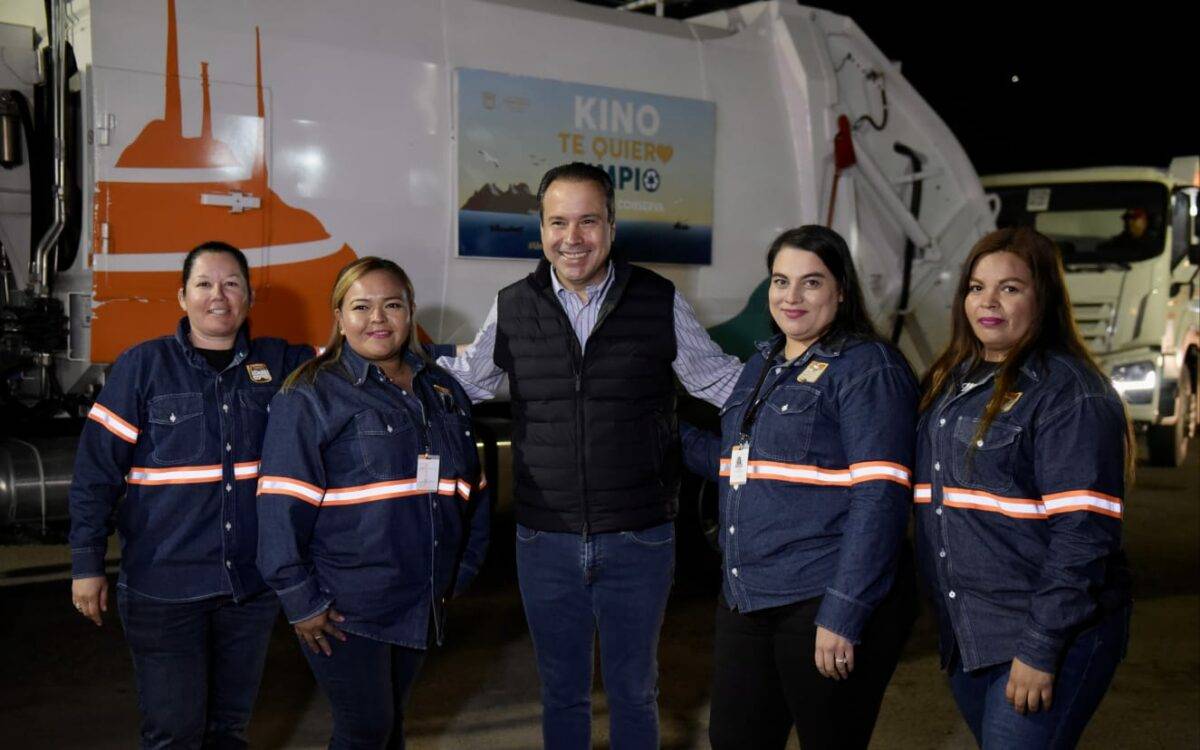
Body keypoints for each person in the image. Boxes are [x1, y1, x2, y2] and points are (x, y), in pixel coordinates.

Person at [436, 162, 741, 748]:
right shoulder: (514, 305)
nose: (572, 238)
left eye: (587, 221)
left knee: (634, 691)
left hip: (640, 536)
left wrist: (807, 382)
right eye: (558, 222)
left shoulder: (658, 300)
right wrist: (386, 372)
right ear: (541, 229)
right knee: (563, 694)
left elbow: (719, 383)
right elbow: (466, 383)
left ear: (612, 226)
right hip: (543, 539)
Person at [68, 240, 315, 748]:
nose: (217, 296)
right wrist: (86, 564)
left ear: (248, 296)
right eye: (204, 284)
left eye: (231, 284)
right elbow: (96, 473)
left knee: (229, 730)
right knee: (175, 732)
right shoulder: (142, 367)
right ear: (182, 297)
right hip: (165, 588)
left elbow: (356, 354)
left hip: (248, 589)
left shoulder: (281, 364)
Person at [680, 225, 918, 749]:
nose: (792, 297)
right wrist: (657, 428)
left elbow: (880, 497)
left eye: (811, 283)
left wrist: (844, 611)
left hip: (818, 599)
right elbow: (737, 464)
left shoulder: (867, 369)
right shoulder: (764, 364)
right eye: (780, 280)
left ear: (842, 291)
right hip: (747, 595)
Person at [255, 256, 489, 750]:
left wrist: (461, 568)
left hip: (419, 595)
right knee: (366, 729)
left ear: (411, 313)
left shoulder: (442, 389)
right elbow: (280, 507)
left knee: (390, 726)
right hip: (345, 605)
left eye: (392, 305)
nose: (377, 319)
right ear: (338, 316)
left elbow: (473, 486)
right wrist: (300, 600)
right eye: (360, 306)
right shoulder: (311, 394)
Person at [914, 226, 1133, 748]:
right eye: (975, 287)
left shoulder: (1069, 393)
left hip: (1045, 634)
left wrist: (1039, 647)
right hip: (970, 631)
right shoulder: (949, 382)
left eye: (1009, 288)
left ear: (1044, 297)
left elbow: (1083, 535)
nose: (987, 301)